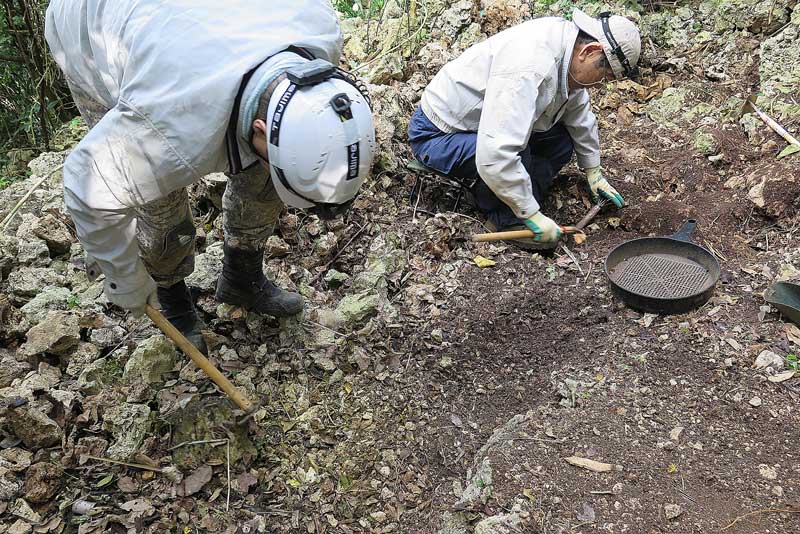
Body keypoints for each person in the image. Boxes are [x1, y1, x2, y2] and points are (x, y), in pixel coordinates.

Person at [44, 0, 376, 351]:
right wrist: (126, 281)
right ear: (259, 130)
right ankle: (171, 294)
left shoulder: (319, 33)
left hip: (196, 28)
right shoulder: (162, 130)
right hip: (88, 28)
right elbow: (88, 186)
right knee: (161, 210)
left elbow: (301, 137)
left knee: (268, 173)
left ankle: (242, 276)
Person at [408, 9, 640, 249]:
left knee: (561, 142)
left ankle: (495, 194)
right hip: (440, 134)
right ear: (590, 51)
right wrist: (531, 214)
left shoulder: (568, 49)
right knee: (517, 153)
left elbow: (578, 113)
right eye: (605, 74)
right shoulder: (530, 65)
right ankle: (508, 221)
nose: (601, 83)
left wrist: (593, 170)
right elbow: (496, 152)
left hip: (482, 126)